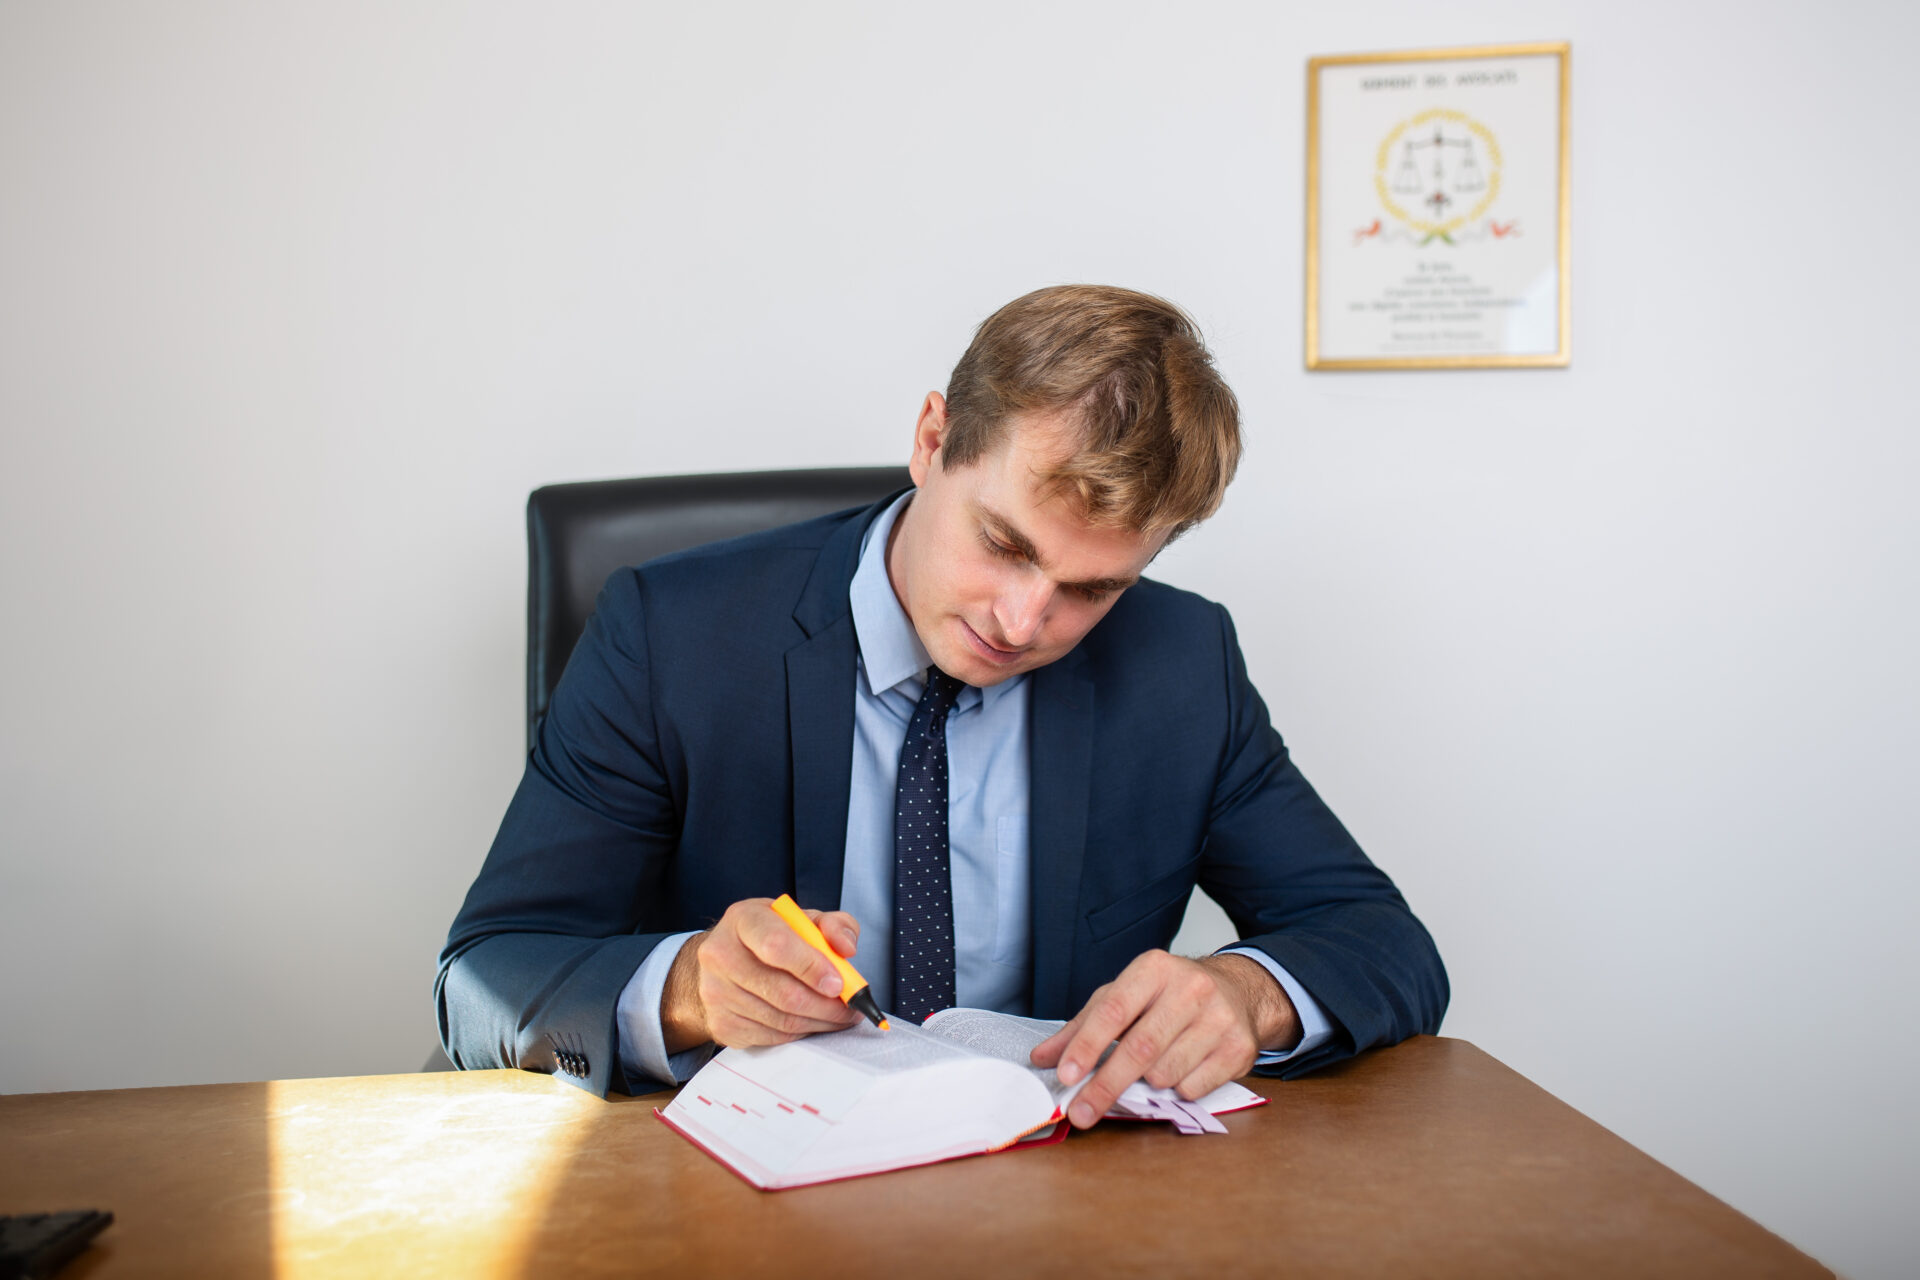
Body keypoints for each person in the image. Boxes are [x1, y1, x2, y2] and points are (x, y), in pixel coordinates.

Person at [437, 285, 1447, 1128]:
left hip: (1054, 1200)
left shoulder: (1182, 664)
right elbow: (484, 974)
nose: (1022, 619)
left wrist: (1246, 992)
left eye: (1089, 589)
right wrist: (689, 984)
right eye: (1004, 543)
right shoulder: (671, 634)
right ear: (932, 439)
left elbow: (1378, 937)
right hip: (737, 1200)